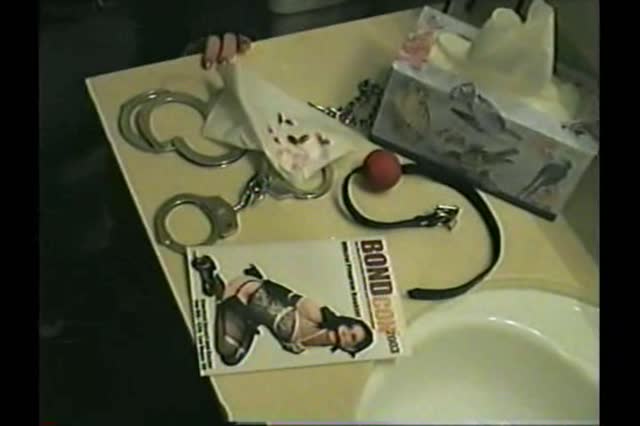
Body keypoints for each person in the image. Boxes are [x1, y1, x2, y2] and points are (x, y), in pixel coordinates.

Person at [191, 255, 374, 367]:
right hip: (255, 296)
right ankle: (213, 281)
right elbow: (286, 295)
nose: (345, 333)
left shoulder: (314, 346)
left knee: (231, 356)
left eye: (352, 338)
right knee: (229, 343)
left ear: (350, 349)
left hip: (252, 318)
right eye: (350, 328)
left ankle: (223, 296)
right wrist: (262, 282)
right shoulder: (318, 314)